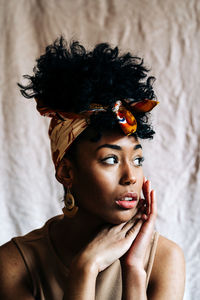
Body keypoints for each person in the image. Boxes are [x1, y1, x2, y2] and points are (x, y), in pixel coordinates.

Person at [0, 37, 185, 300]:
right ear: (66, 172)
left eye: (137, 160)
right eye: (110, 159)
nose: (131, 177)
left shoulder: (164, 259)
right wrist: (85, 268)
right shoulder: (13, 264)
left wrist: (133, 271)